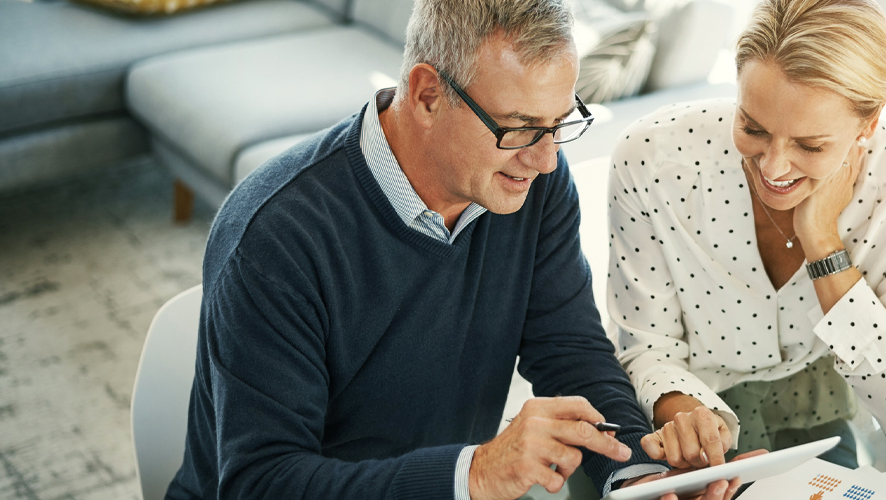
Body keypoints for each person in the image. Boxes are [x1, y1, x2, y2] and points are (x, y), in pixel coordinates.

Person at [165, 1, 749, 499]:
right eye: (519, 127)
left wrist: (640, 479)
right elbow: (260, 481)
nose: (545, 158)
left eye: (559, 124)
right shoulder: (277, 235)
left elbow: (568, 351)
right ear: (425, 95)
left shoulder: (533, 183)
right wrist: (473, 473)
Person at [609, 0, 886, 471]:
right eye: (752, 127)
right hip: (684, 422)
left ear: (869, 124)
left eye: (810, 145)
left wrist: (823, 245)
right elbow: (646, 345)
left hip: (820, 418)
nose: (772, 167)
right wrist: (683, 414)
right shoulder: (651, 158)